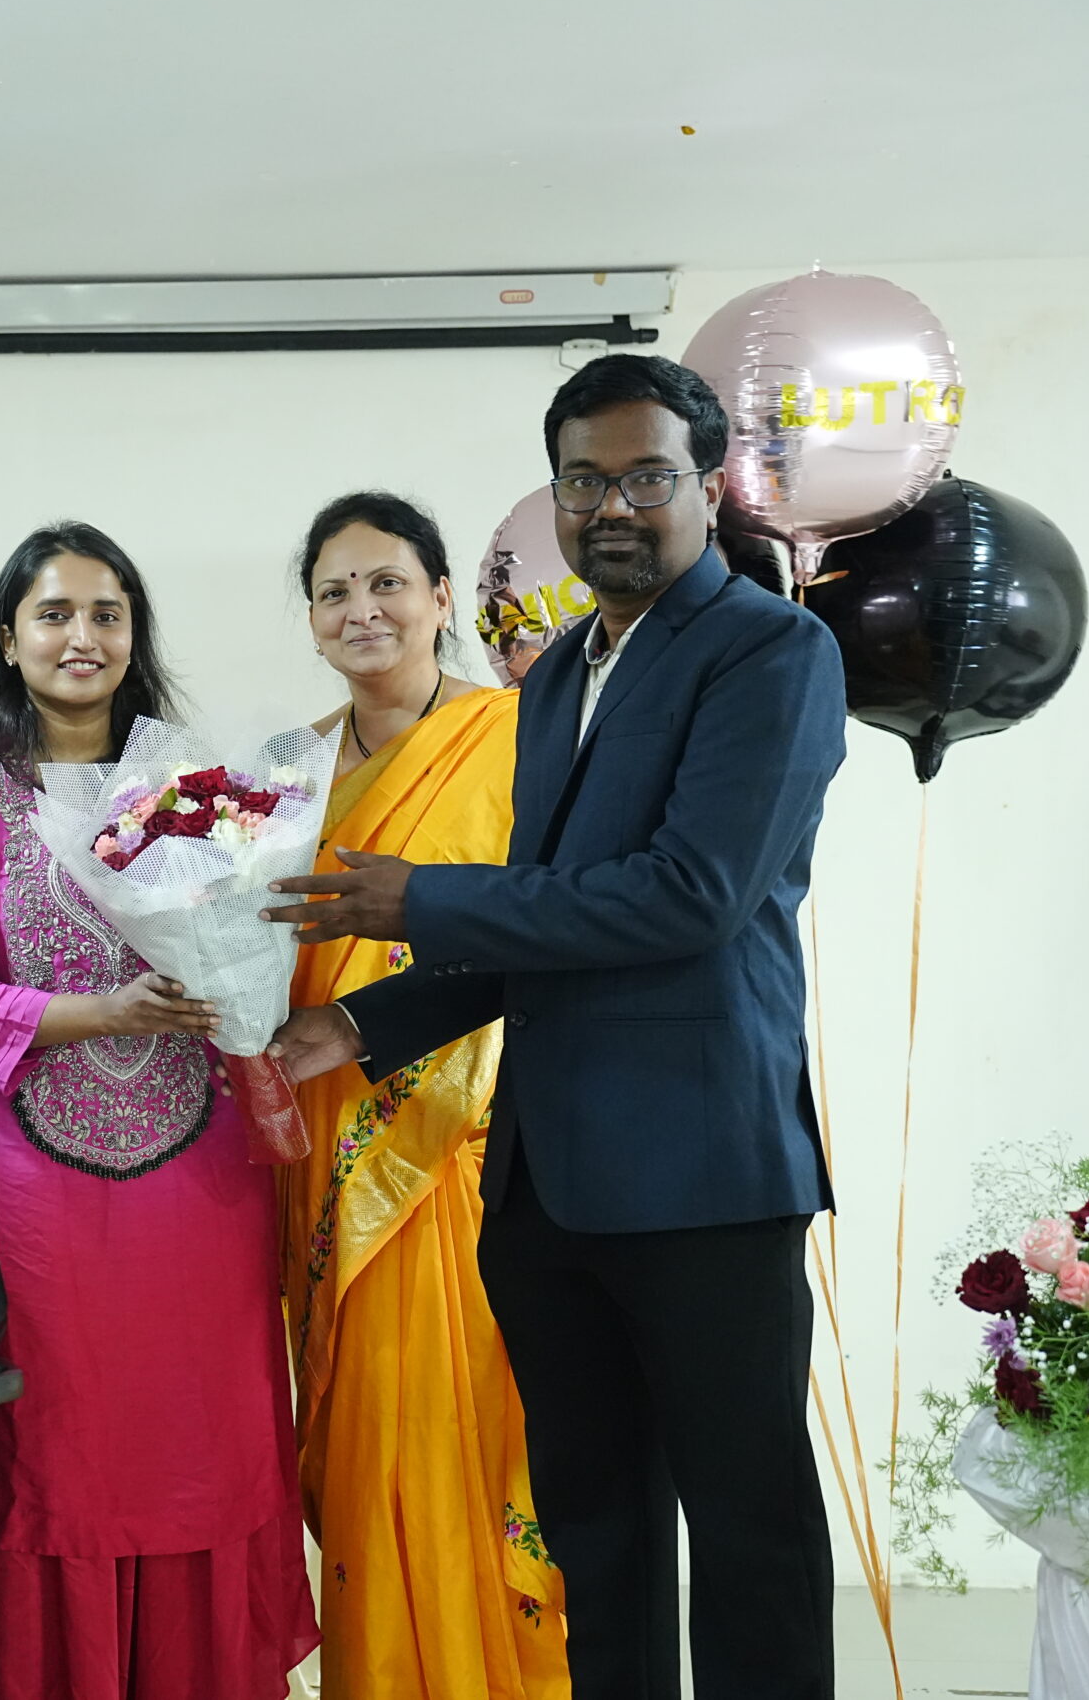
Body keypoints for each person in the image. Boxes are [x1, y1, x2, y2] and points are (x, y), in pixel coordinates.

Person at [268, 354, 846, 1700]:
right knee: (596, 1531)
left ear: (708, 484)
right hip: (545, 1184)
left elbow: (690, 895)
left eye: (645, 477)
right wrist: (352, 1024)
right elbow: (541, 924)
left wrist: (419, 897)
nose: (611, 508)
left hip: (706, 1173)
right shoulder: (554, 680)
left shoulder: (769, 650)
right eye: (582, 482)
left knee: (747, 1532)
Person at [0, 522, 318, 1700]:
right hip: (27, 1191)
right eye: (54, 613)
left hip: (199, 1182)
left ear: (135, 635)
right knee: (57, 1445)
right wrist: (105, 1015)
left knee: (200, 1432)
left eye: (106, 614)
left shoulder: (195, 788)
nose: (81, 636)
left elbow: (251, 939)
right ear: (8, 638)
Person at [278, 492, 569, 1698]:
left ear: (442, 597)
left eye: (387, 582)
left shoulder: (521, 737)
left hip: (467, 1146)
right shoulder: (286, 772)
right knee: (361, 1436)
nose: (363, 610)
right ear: (310, 618)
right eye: (335, 591)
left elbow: (547, 925)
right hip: (317, 1128)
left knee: (470, 1428)